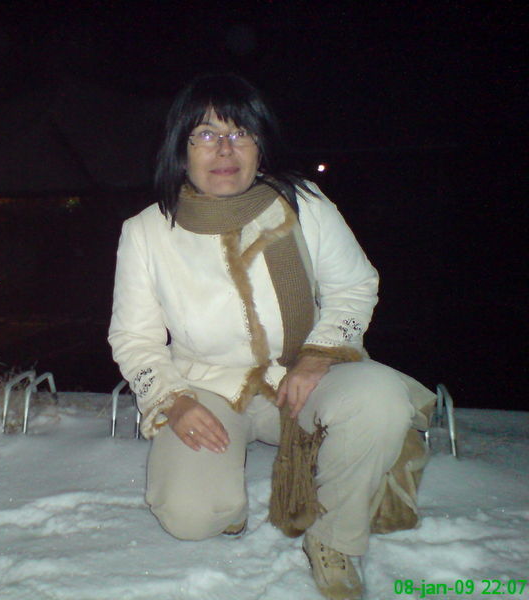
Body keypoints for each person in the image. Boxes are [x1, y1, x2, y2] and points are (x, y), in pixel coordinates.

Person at [108, 73, 434, 600]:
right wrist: (173, 400)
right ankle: (225, 498)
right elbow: (134, 337)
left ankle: (334, 538)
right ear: (181, 149)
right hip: (208, 385)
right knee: (190, 518)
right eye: (206, 134)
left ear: (260, 146)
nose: (225, 149)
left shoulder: (303, 203)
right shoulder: (146, 232)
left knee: (379, 400)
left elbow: (354, 286)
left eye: (241, 133)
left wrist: (319, 355)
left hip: (302, 376)